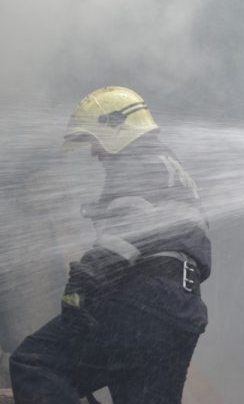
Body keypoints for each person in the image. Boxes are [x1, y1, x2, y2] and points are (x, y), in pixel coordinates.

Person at [10, 86, 211, 404]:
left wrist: (76, 292)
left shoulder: (135, 164)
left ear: (114, 126)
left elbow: (116, 249)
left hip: (142, 303)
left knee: (36, 361)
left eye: (93, 140)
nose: (94, 152)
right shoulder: (170, 167)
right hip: (181, 311)